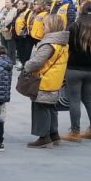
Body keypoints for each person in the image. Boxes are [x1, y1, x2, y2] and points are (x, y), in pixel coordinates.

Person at [61, 2, 91, 142]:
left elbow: (66, 41)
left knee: (74, 100)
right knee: (88, 99)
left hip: (74, 67)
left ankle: (75, 132)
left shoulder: (76, 25)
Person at [23, 14, 69, 148]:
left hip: (44, 80)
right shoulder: (63, 43)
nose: (42, 27)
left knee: (41, 107)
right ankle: (54, 135)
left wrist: (27, 66)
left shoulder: (49, 44)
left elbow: (36, 62)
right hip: (55, 80)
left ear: (52, 27)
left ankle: (44, 137)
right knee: (51, 108)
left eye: (44, 25)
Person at [12, 0, 33, 69]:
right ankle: (21, 63)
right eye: (18, 3)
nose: (18, 5)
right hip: (17, 34)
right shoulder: (18, 11)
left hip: (23, 35)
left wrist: (22, 30)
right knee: (19, 50)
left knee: (24, 51)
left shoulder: (28, 12)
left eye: (20, 4)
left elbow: (28, 22)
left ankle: (24, 65)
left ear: (24, 5)